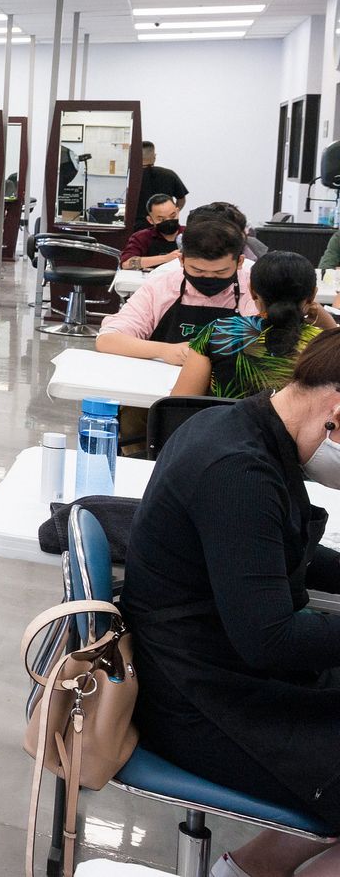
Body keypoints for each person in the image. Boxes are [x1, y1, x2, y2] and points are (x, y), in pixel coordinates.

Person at [122, 331, 340, 877]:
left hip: (213, 670)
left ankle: (246, 871)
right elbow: (271, 639)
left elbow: (272, 550)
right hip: (202, 702)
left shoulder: (241, 428)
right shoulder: (237, 470)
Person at [98, 216, 262, 365]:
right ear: (181, 260)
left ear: (240, 262)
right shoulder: (162, 285)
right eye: (198, 271)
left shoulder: (257, 288)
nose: (209, 278)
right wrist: (165, 350)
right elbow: (107, 339)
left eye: (220, 272)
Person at [174, 251, 324, 399]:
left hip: (227, 416)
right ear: (313, 295)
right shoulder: (323, 344)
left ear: (252, 291)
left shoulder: (219, 332)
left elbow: (181, 402)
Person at [120, 194, 183, 273]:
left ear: (177, 211)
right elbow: (126, 264)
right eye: (161, 219)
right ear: (150, 220)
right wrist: (166, 258)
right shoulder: (142, 237)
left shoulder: (190, 234)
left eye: (172, 216)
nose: (168, 221)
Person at [140, 139, 189, 209]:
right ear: (154, 156)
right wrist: (172, 213)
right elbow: (181, 200)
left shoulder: (132, 178)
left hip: (136, 216)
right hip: (165, 215)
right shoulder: (169, 174)